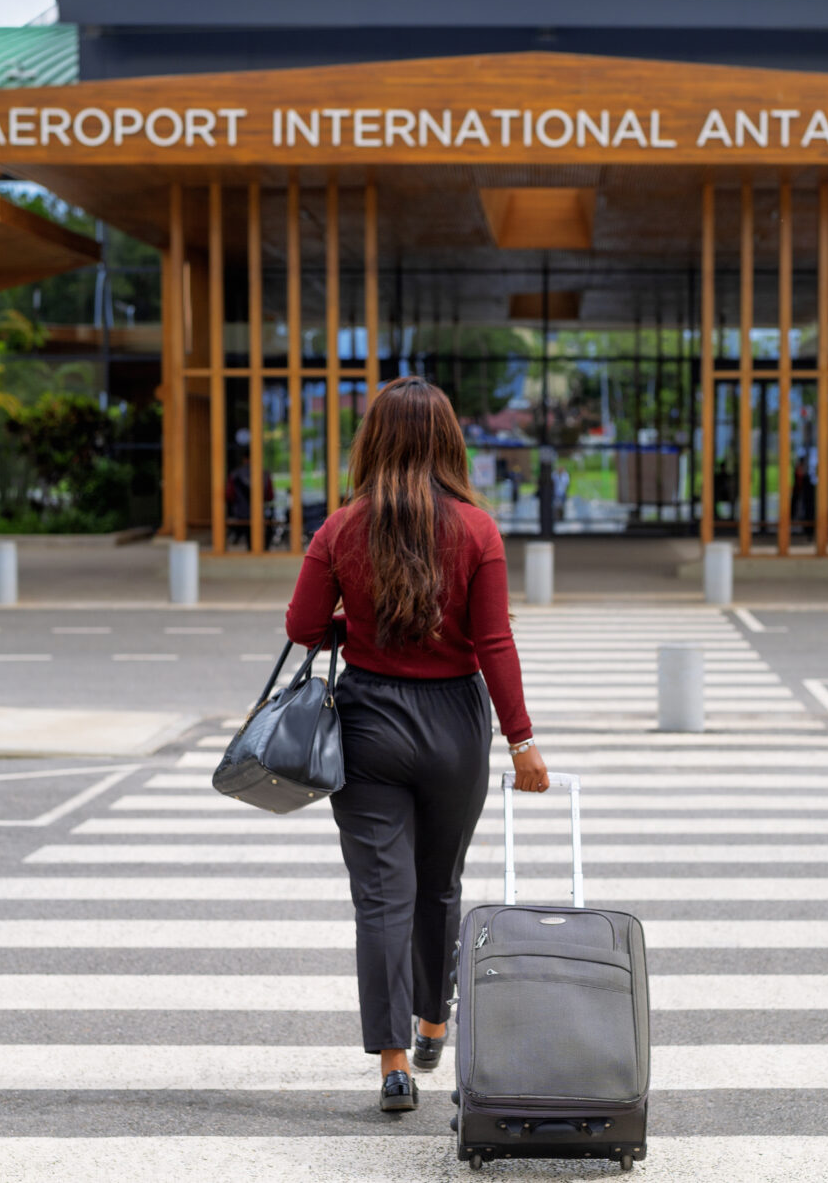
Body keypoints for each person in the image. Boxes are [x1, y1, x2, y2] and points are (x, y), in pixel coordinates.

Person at [285, 377, 548, 1116]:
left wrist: (350, 626)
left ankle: (394, 1064)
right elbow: (494, 640)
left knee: (380, 897)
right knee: (440, 882)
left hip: (368, 723)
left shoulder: (341, 528)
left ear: (373, 440)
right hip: (455, 725)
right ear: (447, 441)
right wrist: (522, 741)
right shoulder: (476, 529)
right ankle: (436, 1021)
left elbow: (303, 624)